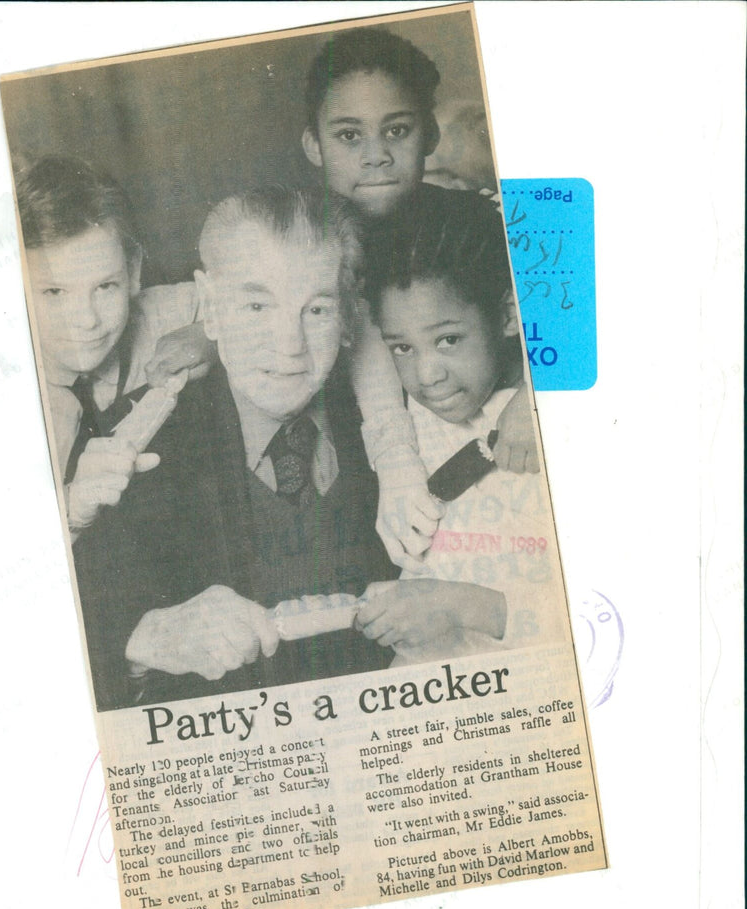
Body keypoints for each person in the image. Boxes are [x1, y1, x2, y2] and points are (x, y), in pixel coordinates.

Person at [72, 186, 397, 711]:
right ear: (212, 309)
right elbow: (67, 626)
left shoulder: (398, 415)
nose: (288, 345)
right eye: (255, 305)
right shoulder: (134, 439)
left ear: (346, 315)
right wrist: (147, 637)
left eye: (315, 309)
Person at [300, 27, 539, 570]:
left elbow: (584, 285)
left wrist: (538, 389)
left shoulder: (481, 223)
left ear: (429, 134)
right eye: (348, 137)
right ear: (312, 144)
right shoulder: (304, 240)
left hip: (482, 455)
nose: (377, 156)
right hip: (364, 463)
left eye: (397, 131)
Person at [354, 204, 571, 665]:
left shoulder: (559, 419)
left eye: (448, 339)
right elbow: (355, 328)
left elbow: (605, 617)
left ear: (511, 316)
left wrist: (457, 605)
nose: (427, 374)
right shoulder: (411, 408)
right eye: (404, 348)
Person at [17, 155, 213, 537]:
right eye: (54, 292)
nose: (86, 319)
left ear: (133, 272)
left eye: (105, 286)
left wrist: (211, 335)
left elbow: (259, 300)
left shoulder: (152, 318)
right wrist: (71, 509)